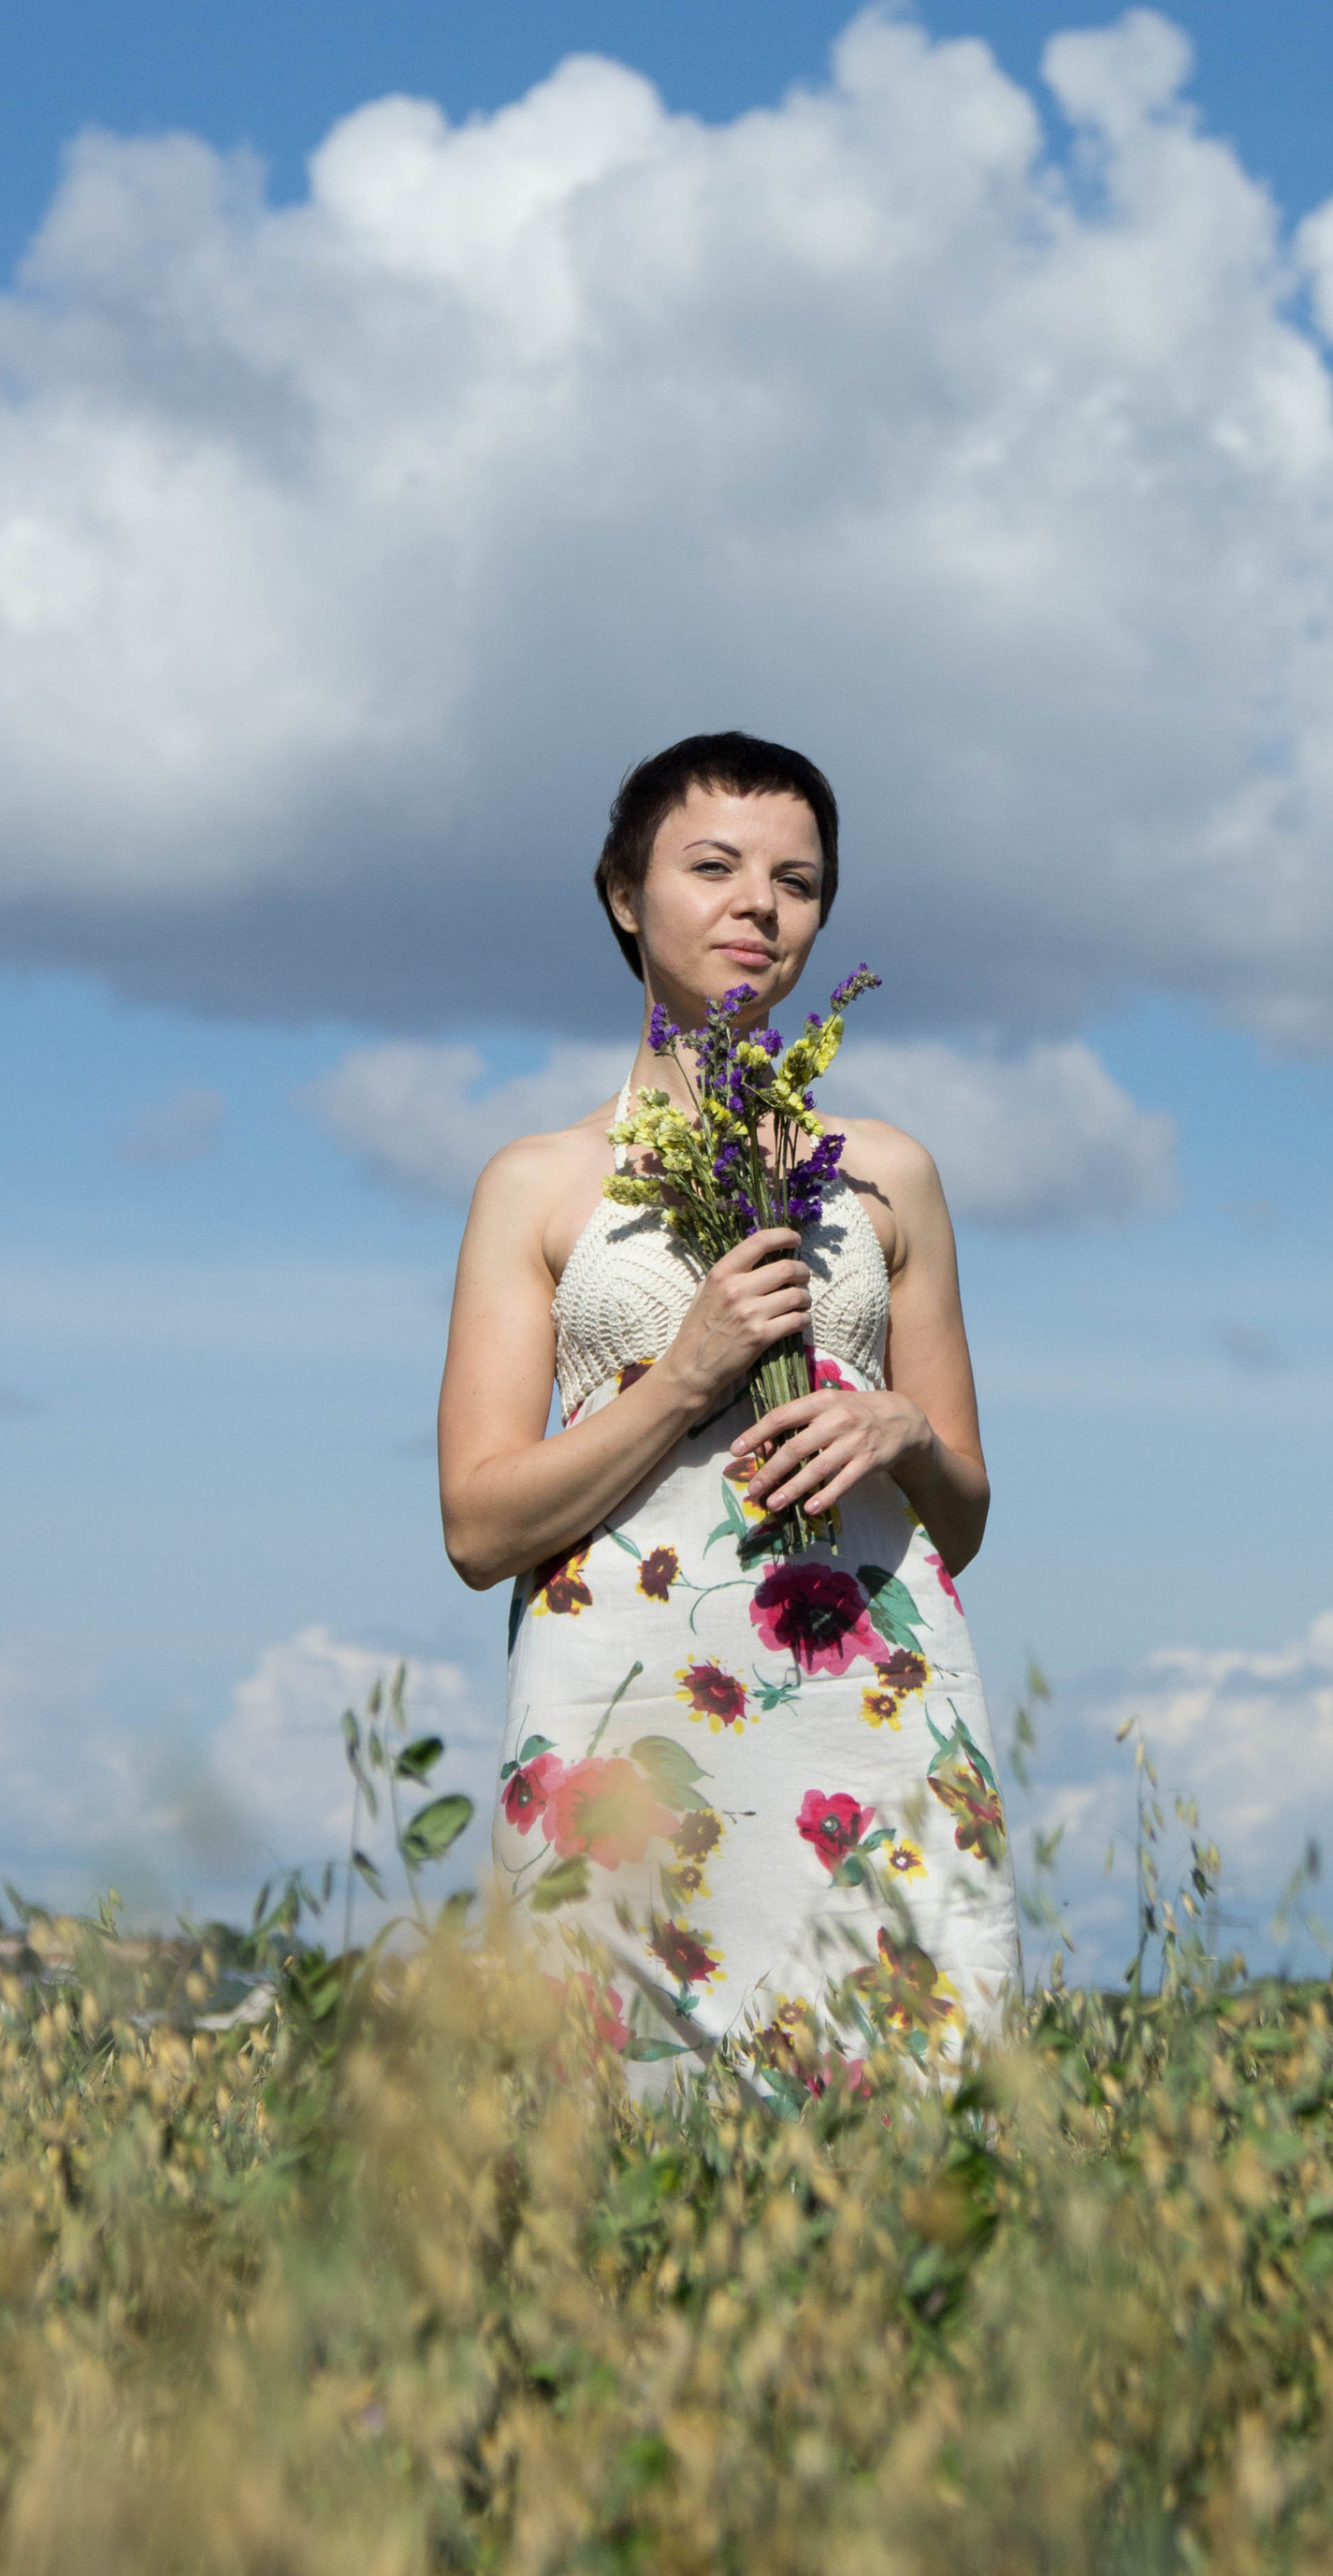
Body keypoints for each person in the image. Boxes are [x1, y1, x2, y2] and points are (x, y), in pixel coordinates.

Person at [437, 731, 1021, 2082]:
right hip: (623, 1737)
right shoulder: (537, 1183)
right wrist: (684, 1378)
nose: (759, 903)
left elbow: (965, 1520)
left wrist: (906, 1434)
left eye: (797, 881)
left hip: (867, 1720)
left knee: (912, 2127)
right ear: (623, 895)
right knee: (613, 2138)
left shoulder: (886, 1176)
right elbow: (478, 1529)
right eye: (713, 867)